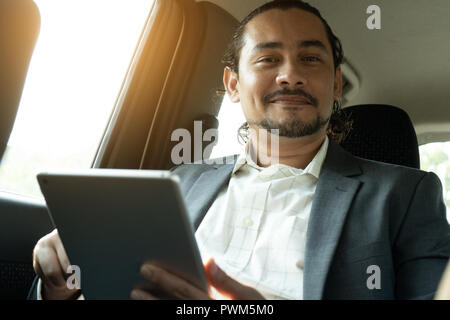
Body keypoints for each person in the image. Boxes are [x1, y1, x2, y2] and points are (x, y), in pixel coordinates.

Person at [31, 0, 450, 300]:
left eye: (310, 59)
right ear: (233, 85)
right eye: (268, 60)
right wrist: (58, 285)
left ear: (336, 85)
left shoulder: (407, 194)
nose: (290, 75)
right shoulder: (180, 180)